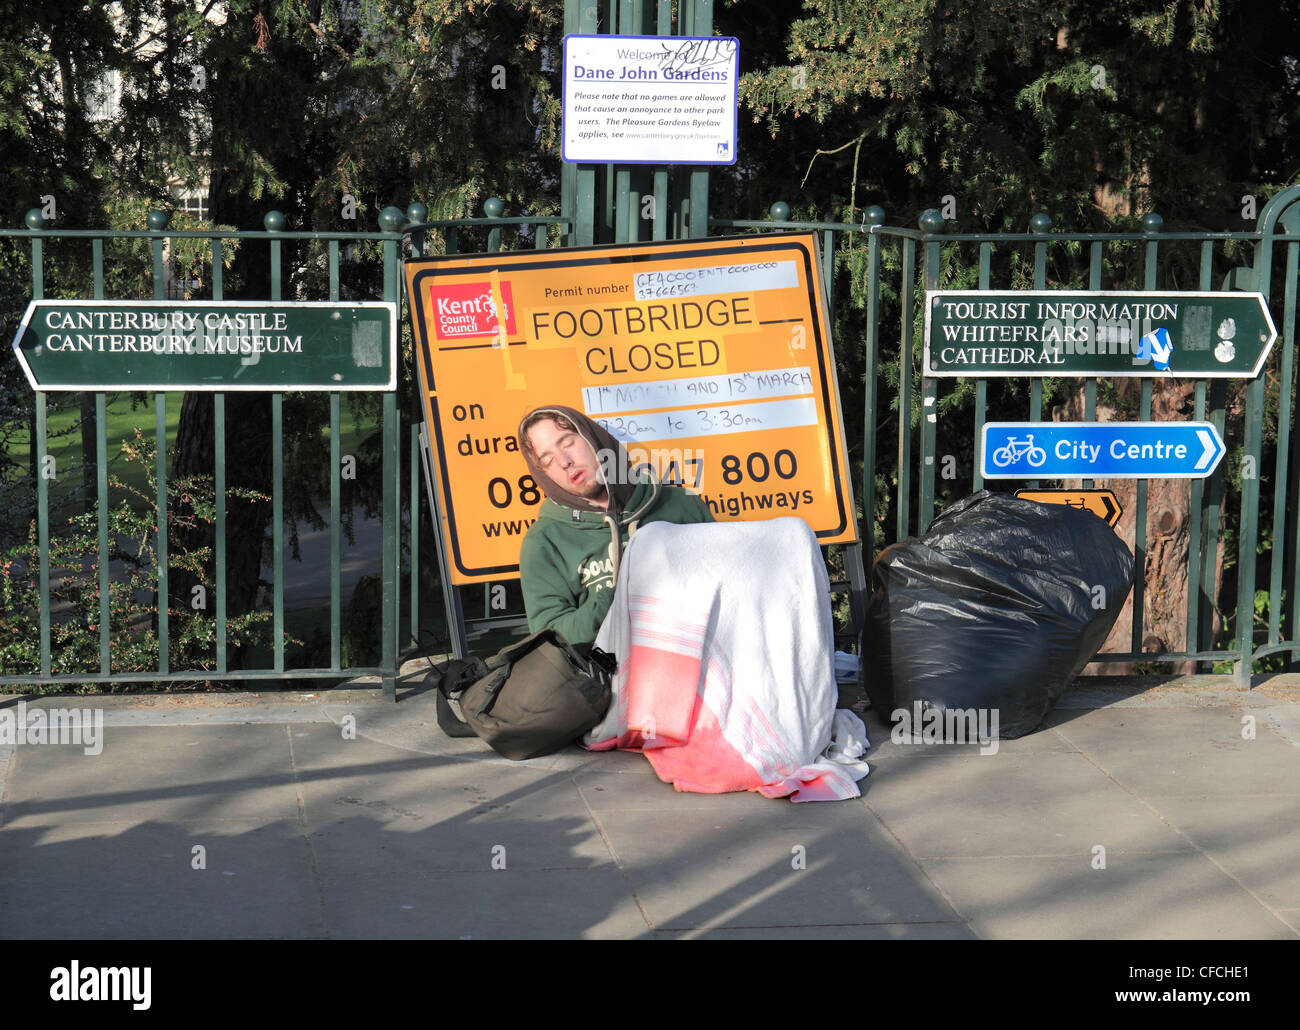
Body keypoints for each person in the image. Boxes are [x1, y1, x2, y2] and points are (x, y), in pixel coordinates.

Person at [516, 404, 712, 645]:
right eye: (547, 460)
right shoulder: (545, 542)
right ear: (544, 476)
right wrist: (617, 592)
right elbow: (552, 641)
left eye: (567, 442)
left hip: (702, 660)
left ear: (593, 438)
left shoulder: (679, 504)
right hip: (614, 677)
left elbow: (729, 585)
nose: (564, 461)